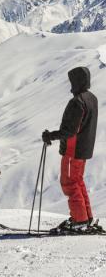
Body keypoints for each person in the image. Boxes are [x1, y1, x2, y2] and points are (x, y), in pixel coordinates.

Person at [42, 67, 98, 232]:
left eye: (72, 81)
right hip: (84, 149)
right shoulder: (91, 98)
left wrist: (50, 136)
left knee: (69, 183)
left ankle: (79, 220)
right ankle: (86, 217)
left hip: (73, 150)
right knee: (78, 181)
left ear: (77, 81)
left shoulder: (77, 102)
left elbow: (70, 130)